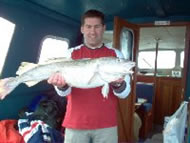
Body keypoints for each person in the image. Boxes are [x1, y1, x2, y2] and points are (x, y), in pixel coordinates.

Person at [48, 9, 131, 143]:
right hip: (75, 123)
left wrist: (118, 84)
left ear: (103, 28)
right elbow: (64, 93)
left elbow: (125, 93)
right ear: (82, 29)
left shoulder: (116, 56)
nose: (93, 31)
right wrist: (61, 86)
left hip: (107, 125)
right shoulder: (70, 54)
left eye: (97, 26)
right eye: (88, 27)